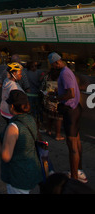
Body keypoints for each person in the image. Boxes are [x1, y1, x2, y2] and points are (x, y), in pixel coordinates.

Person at [0, 89, 43, 194]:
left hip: (18, 176)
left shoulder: (13, 127)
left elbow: (6, 156)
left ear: (12, 107)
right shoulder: (31, 119)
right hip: (31, 171)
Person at [47, 52, 87, 183]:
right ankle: (79, 170)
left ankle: (75, 178)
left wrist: (56, 98)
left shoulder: (64, 73)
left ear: (57, 62)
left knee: (72, 146)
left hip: (71, 111)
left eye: (52, 65)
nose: (52, 68)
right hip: (75, 109)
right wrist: (59, 92)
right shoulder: (67, 71)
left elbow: (71, 93)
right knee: (77, 141)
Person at [41, 67, 64, 141]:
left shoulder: (47, 76)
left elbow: (42, 87)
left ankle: (48, 130)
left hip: (48, 99)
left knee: (49, 116)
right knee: (58, 118)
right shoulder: (61, 77)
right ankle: (58, 134)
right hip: (57, 100)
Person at [26, 60, 44, 129]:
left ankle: (32, 125)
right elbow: (43, 74)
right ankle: (37, 125)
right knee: (37, 112)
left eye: (35, 66)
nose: (34, 68)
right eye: (33, 66)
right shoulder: (37, 73)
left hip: (29, 94)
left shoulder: (26, 73)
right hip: (35, 95)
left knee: (31, 112)